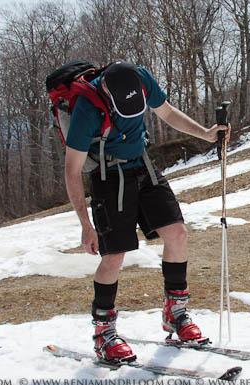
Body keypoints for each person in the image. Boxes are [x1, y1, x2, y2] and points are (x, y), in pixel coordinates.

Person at [64, 60, 229, 362]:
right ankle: (104, 333)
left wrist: (205, 133)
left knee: (177, 234)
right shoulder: (87, 110)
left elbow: (166, 112)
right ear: (107, 92)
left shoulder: (140, 77)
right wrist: (85, 225)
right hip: (108, 177)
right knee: (114, 256)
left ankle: (175, 314)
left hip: (142, 166)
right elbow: (71, 171)